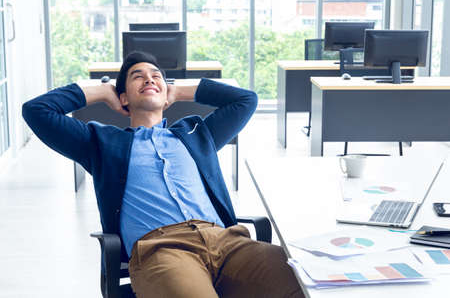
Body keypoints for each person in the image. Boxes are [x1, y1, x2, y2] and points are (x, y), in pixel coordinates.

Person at [22, 52, 304, 298]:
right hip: (162, 249)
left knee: (304, 283)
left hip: (228, 243)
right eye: (137, 77)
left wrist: (179, 90)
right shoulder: (102, 143)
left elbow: (246, 100)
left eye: (156, 75)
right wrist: (101, 90)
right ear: (123, 98)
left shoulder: (195, 134)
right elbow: (36, 111)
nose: (149, 79)